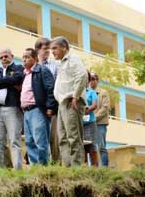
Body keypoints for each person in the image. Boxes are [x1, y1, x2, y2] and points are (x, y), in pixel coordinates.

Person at [51, 36, 88, 166]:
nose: (52, 51)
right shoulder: (61, 63)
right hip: (62, 104)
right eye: (51, 49)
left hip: (71, 102)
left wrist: (76, 96)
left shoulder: (73, 58)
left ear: (64, 47)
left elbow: (82, 75)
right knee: (62, 138)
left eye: (55, 48)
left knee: (73, 137)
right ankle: (68, 168)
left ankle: (76, 168)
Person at [20, 47, 56, 166]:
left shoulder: (42, 70)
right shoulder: (25, 74)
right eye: (23, 57)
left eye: (27, 57)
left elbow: (51, 88)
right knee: (29, 142)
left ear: (35, 58)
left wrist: (50, 107)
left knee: (40, 141)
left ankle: (43, 169)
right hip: (26, 112)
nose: (24, 60)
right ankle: (35, 168)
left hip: (38, 110)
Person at [0, 48, 24, 168]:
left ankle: (18, 169)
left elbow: (17, 78)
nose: (4, 58)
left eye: (6, 56)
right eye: (1, 57)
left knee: (14, 140)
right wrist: (8, 81)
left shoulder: (18, 68)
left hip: (13, 108)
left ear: (12, 56)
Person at [35, 37, 60, 163]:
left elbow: (54, 87)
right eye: (45, 49)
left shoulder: (55, 66)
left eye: (48, 49)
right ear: (37, 50)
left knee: (53, 137)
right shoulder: (33, 67)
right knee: (38, 137)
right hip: (36, 108)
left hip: (51, 108)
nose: (48, 52)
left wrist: (51, 106)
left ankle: (55, 163)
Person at [89, 73, 110, 166]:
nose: (91, 81)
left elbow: (105, 108)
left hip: (100, 123)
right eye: (90, 79)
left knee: (101, 146)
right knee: (91, 147)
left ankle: (105, 168)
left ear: (97, 80)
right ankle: (94, 168)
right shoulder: (87, 92)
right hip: (89, 124)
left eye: (93, 79)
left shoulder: (103, 93)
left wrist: (94, 118)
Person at [83, 73, 99, 167]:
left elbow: (94, 105)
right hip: (79, 124)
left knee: (91, 146)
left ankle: (94, 168)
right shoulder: (77, 93)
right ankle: (84, 168)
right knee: (82, 147)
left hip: (90, 122)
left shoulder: (91, 92)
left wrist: (85, 111)